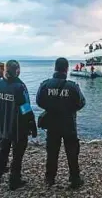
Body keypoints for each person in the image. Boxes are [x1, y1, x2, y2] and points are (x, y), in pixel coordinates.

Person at [36, 57, 86, 189]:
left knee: (52, 152)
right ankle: (75, 179)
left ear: (55, 68)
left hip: (52, 124)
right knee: (72, 152)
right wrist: (68, 108)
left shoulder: (45, 85)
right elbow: (81, 103)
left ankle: (49, 178)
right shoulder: (72, 86)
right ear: (66, 69)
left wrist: (52, 107)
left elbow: (39, 102)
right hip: (68, 123)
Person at [0, 60, 37, 190]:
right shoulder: (19, 86)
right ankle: (14, 180)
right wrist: (32, 124)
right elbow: (26, 107)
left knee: (3, 150)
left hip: (3, 126)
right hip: (18, 127)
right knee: (17, 155)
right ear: (16, 70)